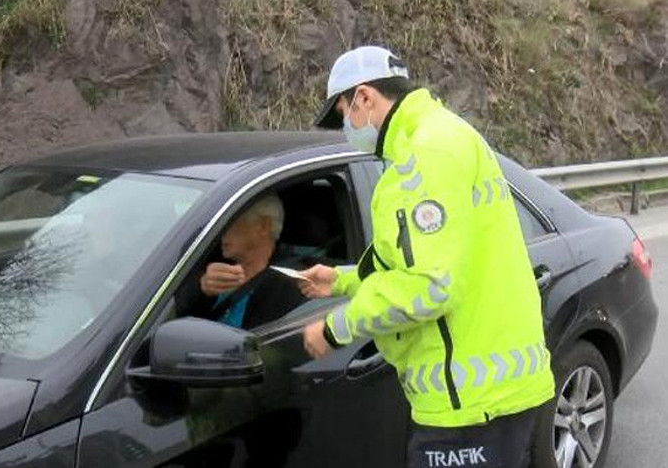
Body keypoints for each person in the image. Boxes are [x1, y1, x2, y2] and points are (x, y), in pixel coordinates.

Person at [299, 45, 555, 467]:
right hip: (495, 390)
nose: (345, 125)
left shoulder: (424, 156)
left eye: (343, 111)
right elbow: (418, 259)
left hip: (467, 402)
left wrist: (333, 328)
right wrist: (341, 280)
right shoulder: (445, 135)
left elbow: (429, 287)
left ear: (364, 98)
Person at [196, 194, 306, 329]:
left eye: (231, 221)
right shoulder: (212, 262)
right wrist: (202, 289)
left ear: (263, 227)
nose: (222, 231)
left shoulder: (288, 283)